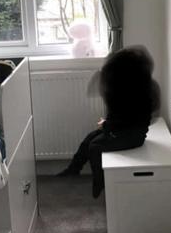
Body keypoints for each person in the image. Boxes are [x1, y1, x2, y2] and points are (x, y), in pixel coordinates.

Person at [58, 45, 161, 197]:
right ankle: (73, 169)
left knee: (94, 147)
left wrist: (107, 125)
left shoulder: (138, 91)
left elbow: (130, 119)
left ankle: (100, 181)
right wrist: (108, 123)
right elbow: (122, 116)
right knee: (89, 138)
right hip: (124, 130)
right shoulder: (132, 87)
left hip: (133, 136)